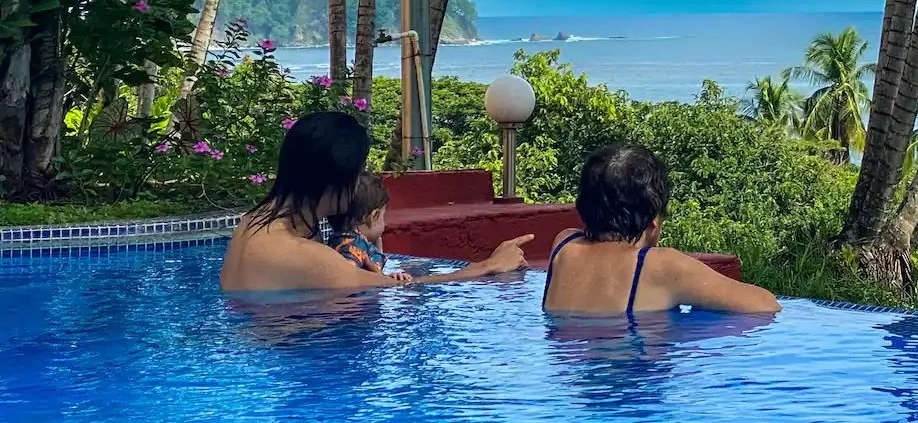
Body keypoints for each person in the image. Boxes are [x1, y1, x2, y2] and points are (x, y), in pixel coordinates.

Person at [220, 111, 532, 293]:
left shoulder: (254, 221)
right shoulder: (306, 256)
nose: (360, 182)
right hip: (302, 357)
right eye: (357, 172)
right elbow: (402, 289)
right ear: (334, 179)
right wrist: (490, 266)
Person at [542, 143, 780, 316]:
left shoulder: (563, 245)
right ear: (653, 220)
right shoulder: (658, 265)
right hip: (633, 378)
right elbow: (765, 305)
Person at [325, 173, 410, 283]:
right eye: (383, 216)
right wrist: (383, 280)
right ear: (374, 216)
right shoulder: (353, 245)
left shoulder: (342, 240)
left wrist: (388, 276)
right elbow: (346, 277)